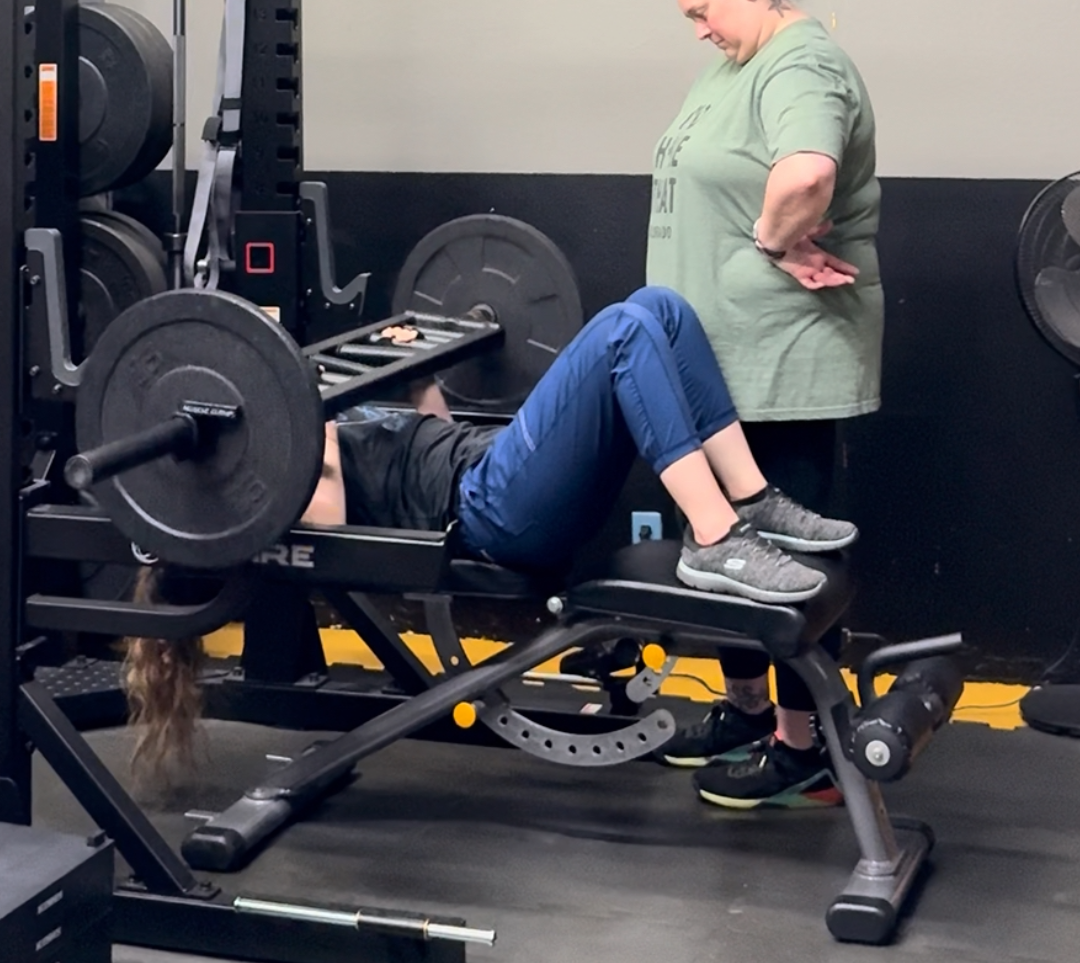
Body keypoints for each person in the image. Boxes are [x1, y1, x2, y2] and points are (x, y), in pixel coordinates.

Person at [124, 287, 855, 773]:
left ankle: (748, 497)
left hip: (489, 464)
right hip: (492, 512)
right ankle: (716, 533)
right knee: (624, 332)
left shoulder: (293, 445)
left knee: (660, 306)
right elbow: (340, 490)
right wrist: (272, 381)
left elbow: (421, 444)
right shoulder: (279, 498)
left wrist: (419, 374)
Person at [646, 0, 882, 811]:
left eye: (702, 10)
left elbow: (808, 173)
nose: (698, 29)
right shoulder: (733, 66)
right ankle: (747, 711)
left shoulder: (800, 64)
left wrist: (771, 238)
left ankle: (806, 744)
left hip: (779, 354)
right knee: (720, 550)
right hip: (713, 363)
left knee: (778, 553)